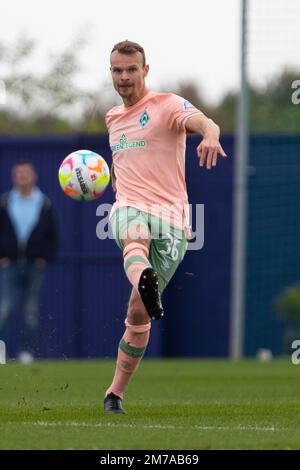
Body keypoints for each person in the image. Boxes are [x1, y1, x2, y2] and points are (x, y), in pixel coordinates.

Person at [104, 40, 227, 413]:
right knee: (133, 235)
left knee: (138, 312)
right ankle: (144, 277)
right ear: (111, 73)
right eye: (117, 70)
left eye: (131, 69)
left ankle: (115, 393)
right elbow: (125, 167)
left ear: (145, 70)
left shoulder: (166, 105)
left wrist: (210, 133)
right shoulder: (112, 118)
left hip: (173, 220)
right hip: (129, 207)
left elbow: (202, 120)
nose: (124, 77)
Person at [0, 161, 59, 363]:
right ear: (14, 178)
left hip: (35, 265)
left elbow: (54, 236)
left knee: (30, 312)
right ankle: (1, 352)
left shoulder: (45, 203)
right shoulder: (5, 202)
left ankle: (25, 352)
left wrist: (44, 258)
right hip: (11, 265)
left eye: (26, 173)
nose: (23, 177)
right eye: (19, 174)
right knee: (5, 309)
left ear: (34, 176)